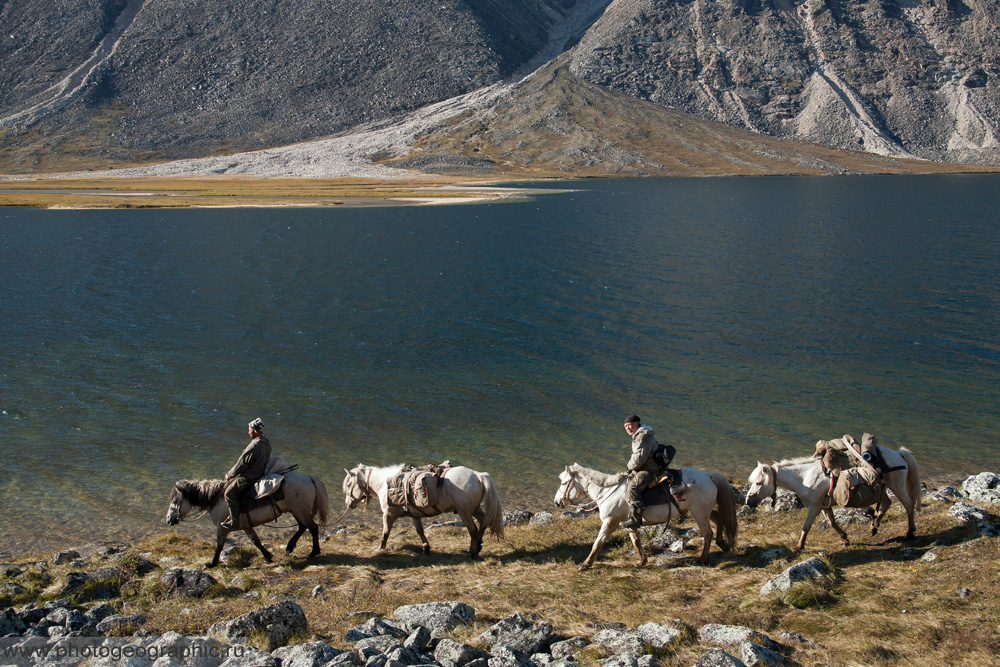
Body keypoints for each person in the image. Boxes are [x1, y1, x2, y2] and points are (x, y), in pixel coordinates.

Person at [220, 418, 272, 530]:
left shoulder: (254, 445)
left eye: (250, 430)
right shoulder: (266, 442)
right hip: (260, 474)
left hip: (250, 476)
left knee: (229, 493)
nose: (248, 432)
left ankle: (234, 522)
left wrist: (229, 474)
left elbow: (241, 464)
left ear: (255, 431)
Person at [621, 414, 661, 529]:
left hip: (649, 469)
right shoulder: (639, 434)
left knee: (633, 487)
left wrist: (628, 467)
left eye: (630, 425)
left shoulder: (642, 436)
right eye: (625, 426)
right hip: (644, 466)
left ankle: (635, 519)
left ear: (636, 424)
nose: (628, 428)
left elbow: (639, 458)